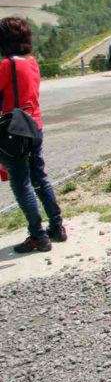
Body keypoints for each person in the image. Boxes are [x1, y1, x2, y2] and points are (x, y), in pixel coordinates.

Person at [0, 18, 65, 253]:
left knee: (21, 183)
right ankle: (57, 227)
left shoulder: (7, 65)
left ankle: (38, 236)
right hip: (34, 125)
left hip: (14, 131)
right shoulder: (32, 62)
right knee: (40, 177)